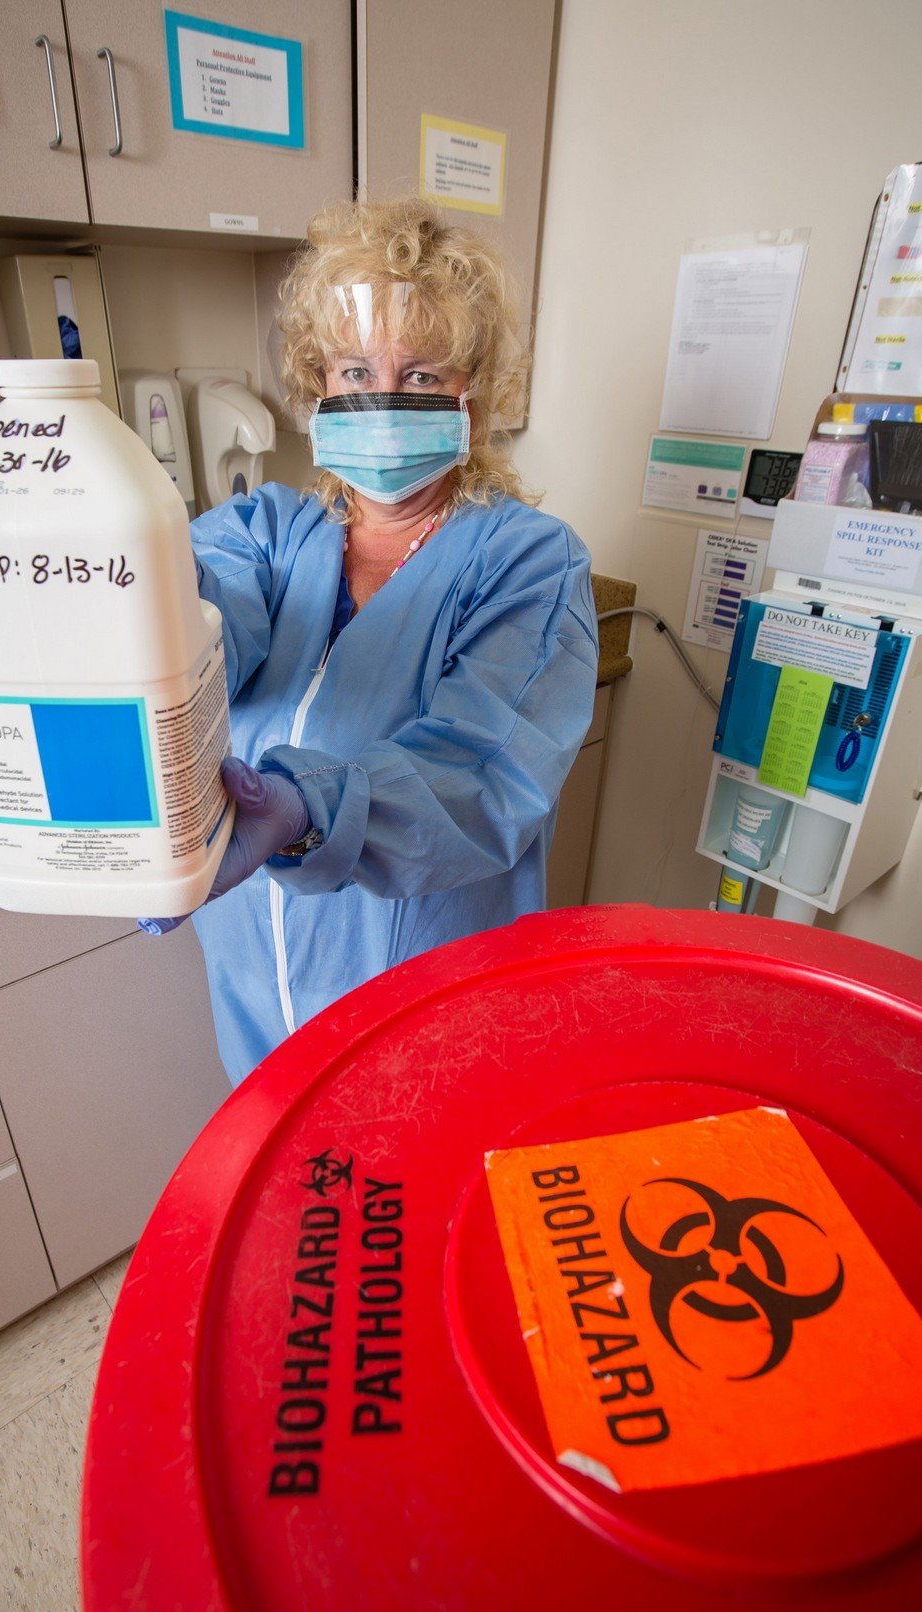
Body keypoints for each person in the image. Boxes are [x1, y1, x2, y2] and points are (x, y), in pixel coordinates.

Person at [158, 196, 598, 1085]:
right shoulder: (262, 534)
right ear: (315, 382)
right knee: (298, 1190)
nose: (384, 399)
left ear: (473, 393)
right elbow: (189, 634)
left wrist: (308, 806)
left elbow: (483, 773)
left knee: (420, 1199)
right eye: (356, 372)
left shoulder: (526, 563)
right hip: (257, 989)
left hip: (431, 999)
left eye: (423, 376)